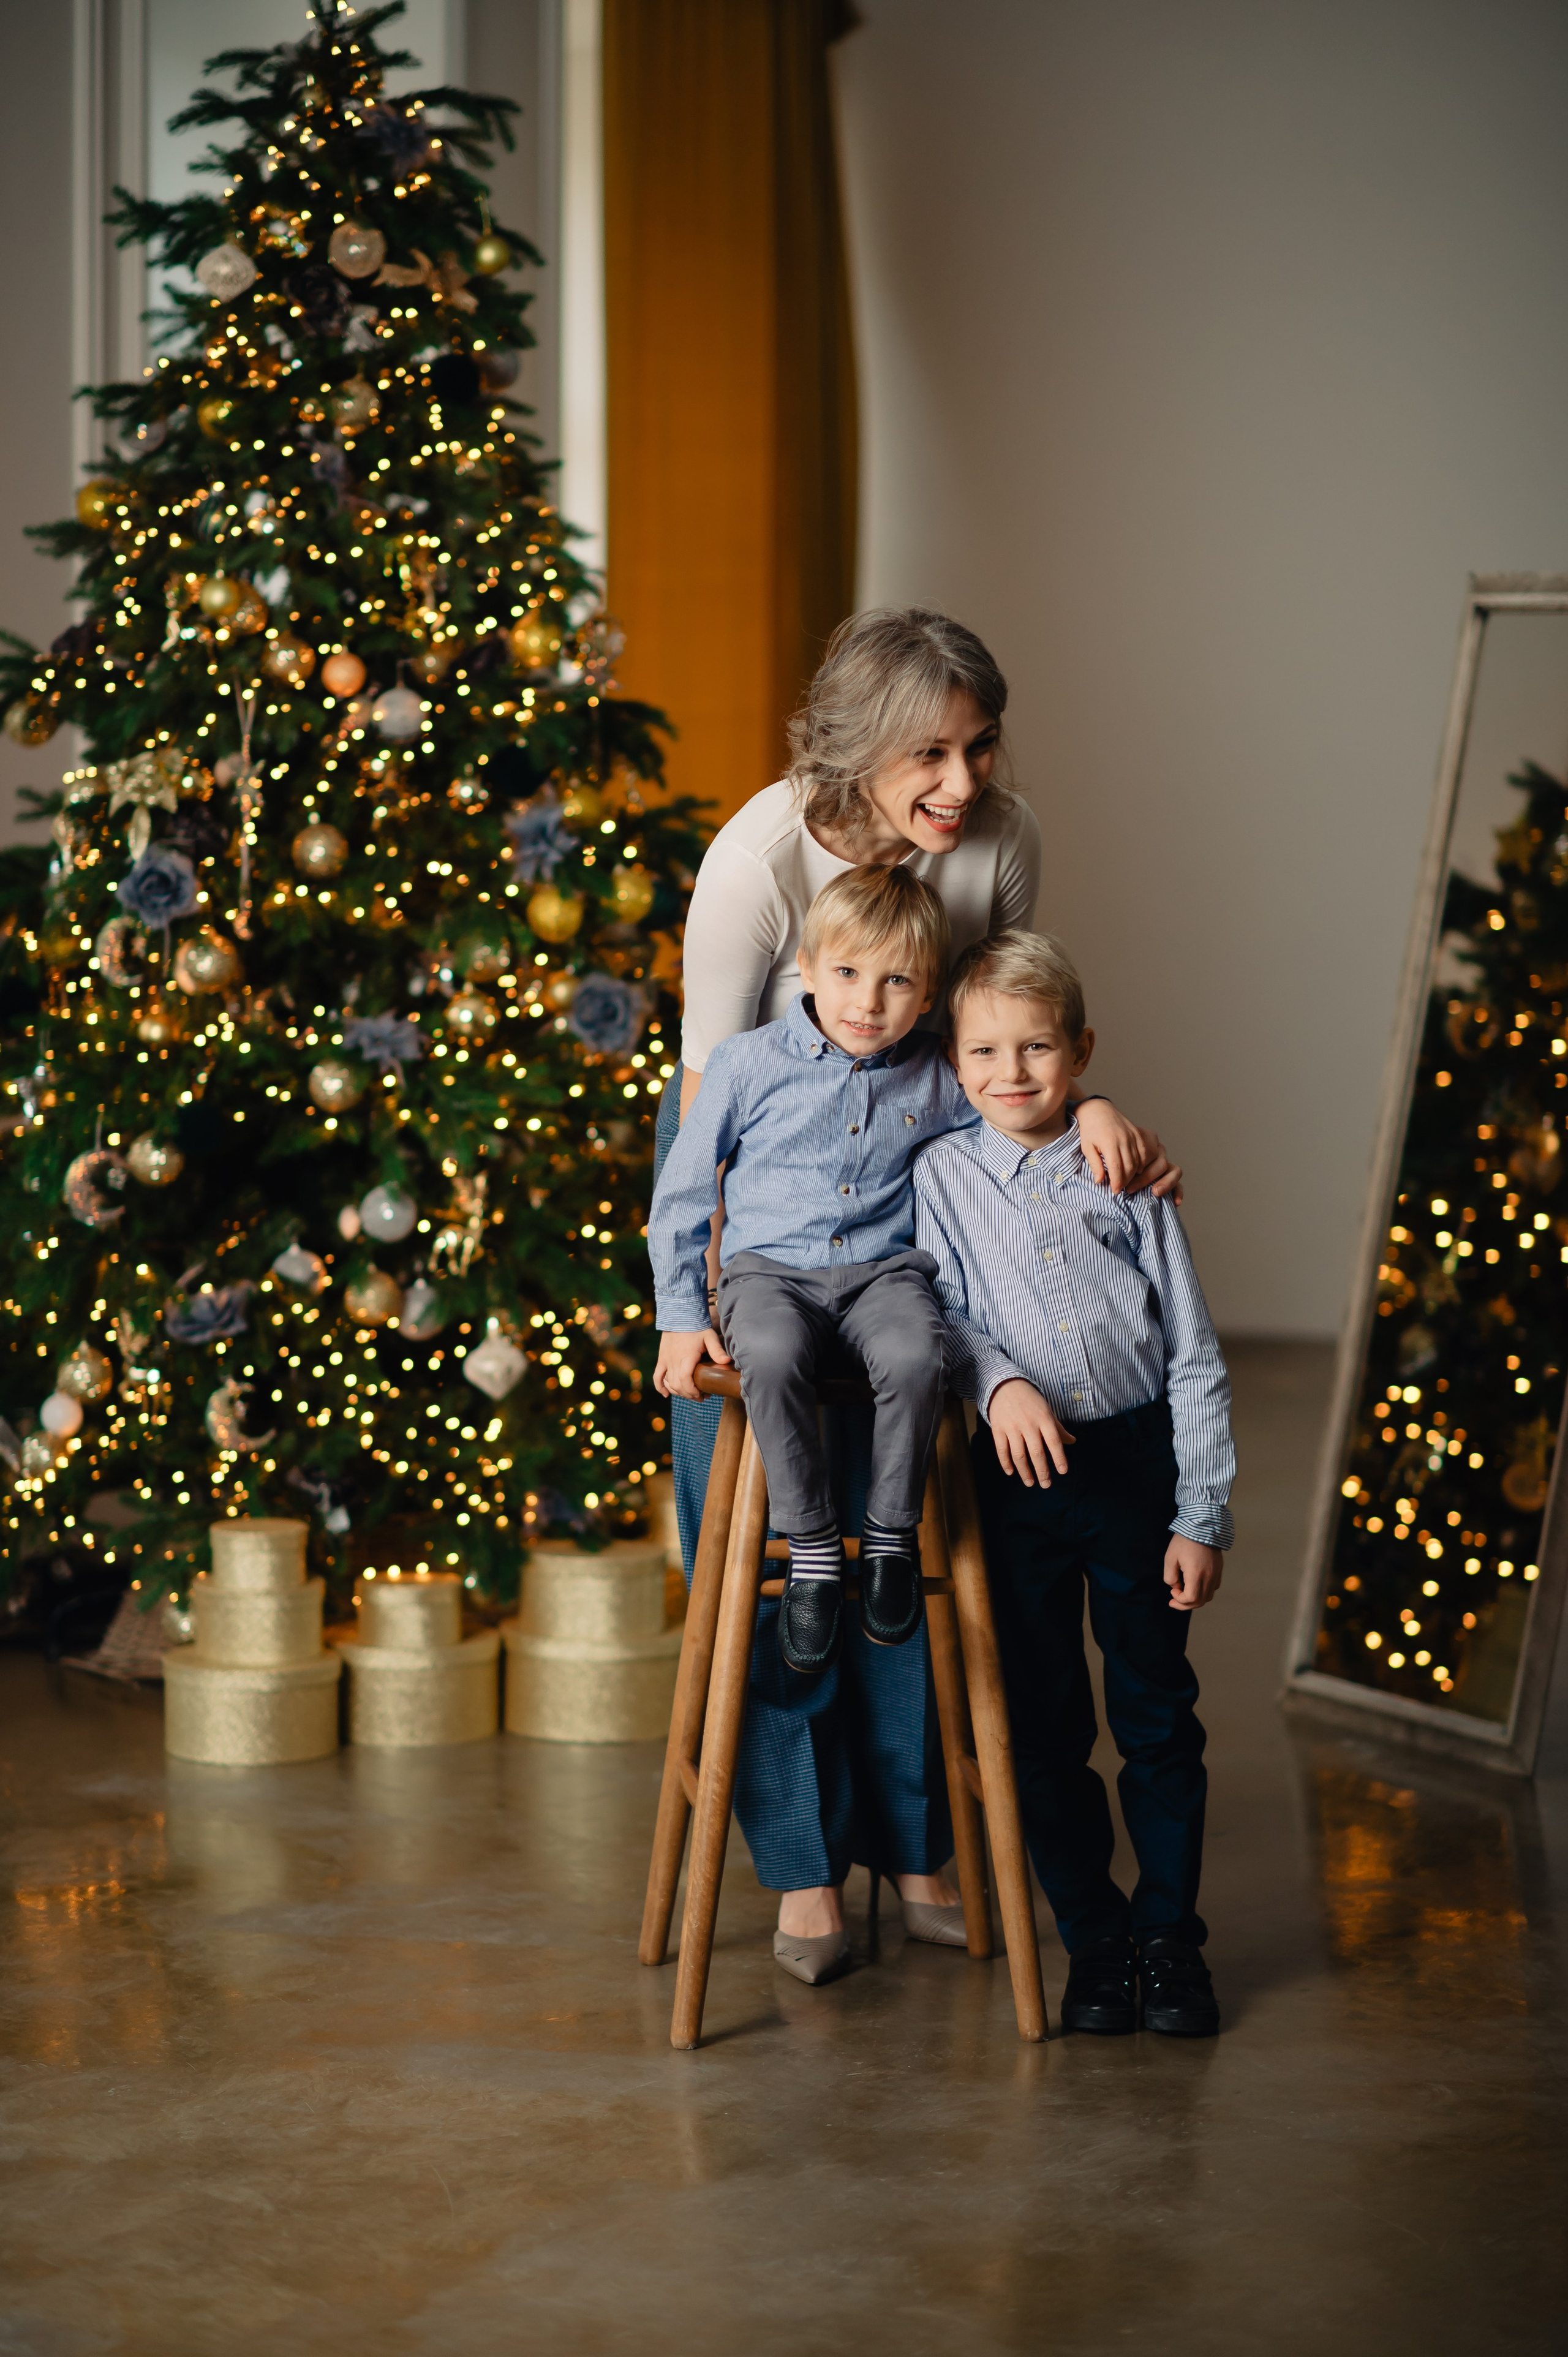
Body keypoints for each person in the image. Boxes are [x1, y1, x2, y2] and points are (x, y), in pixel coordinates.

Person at [654, 606, 1180, 1980]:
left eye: (979, 744)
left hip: (917, 1212)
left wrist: (1095, 1101)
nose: (962, 782)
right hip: (757, 1207)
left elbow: (1015, 1038)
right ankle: (800, 1864)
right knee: (775, 1524)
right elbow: (707, 1098)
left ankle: (913, 1832)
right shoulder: (757, 862)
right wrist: (700, 1296)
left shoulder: (1000, 840)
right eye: (927, 754)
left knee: (909, 1530)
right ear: (856, 749)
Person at [913, 929, 1234, 2037]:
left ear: (1080, 1052)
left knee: (1155, 1715)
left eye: (1038, 1048)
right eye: (987, 1052)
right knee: (1047, 1725)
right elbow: (941, 1317)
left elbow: (1192, 1349)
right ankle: (1093, 1943)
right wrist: (997, 1383)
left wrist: (1202, 1515)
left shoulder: (1126, 1171)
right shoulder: (941, 1179)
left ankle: (1167, 1944)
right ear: (955, 1065)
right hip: (1017, 1481)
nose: (1013, 1074)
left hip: (1136, 1465)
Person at [652, 867, 963, 1689]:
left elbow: (1018, 1121)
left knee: (914, 1353)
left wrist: (1095, 1110)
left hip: (884, 1273)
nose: (868, 1002)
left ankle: (892, 1533)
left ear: (929, 992)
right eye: (849, 974)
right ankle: (815, 1547)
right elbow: (683, 1191)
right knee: (768, 1350)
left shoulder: (940, 1073)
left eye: (898, 982)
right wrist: (682, 1314)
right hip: (769, 1274)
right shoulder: (748, 1065)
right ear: (810, 965)